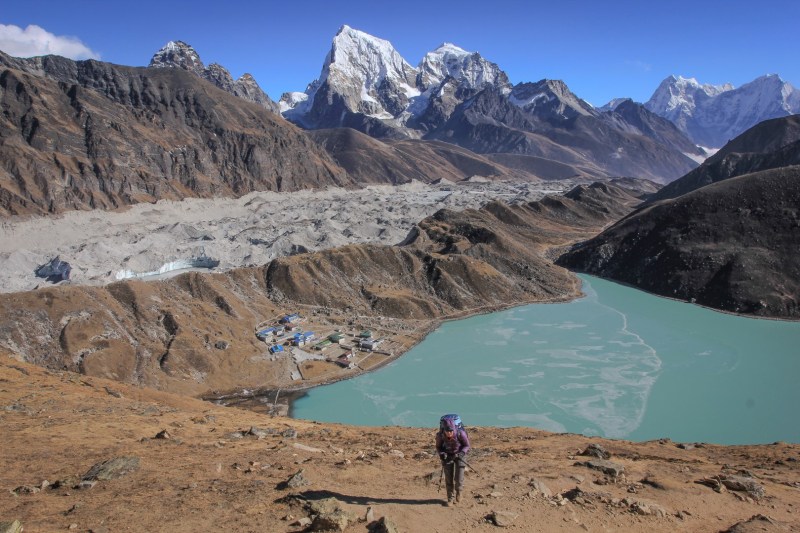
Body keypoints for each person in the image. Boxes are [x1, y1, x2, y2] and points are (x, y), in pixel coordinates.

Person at [435, 417, 471, 506]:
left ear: (453, 429)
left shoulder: (460, 433)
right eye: (447, 431)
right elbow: (438, 447)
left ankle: (459, 493)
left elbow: (467, 445)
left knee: (459, 477)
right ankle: (450, 498)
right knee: (448, 478)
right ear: (444, 430)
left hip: (460, 456)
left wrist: (462, 453)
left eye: (451, 431)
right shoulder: (440, 436)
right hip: (448, 456)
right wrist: (442, 454)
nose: (449, 433)